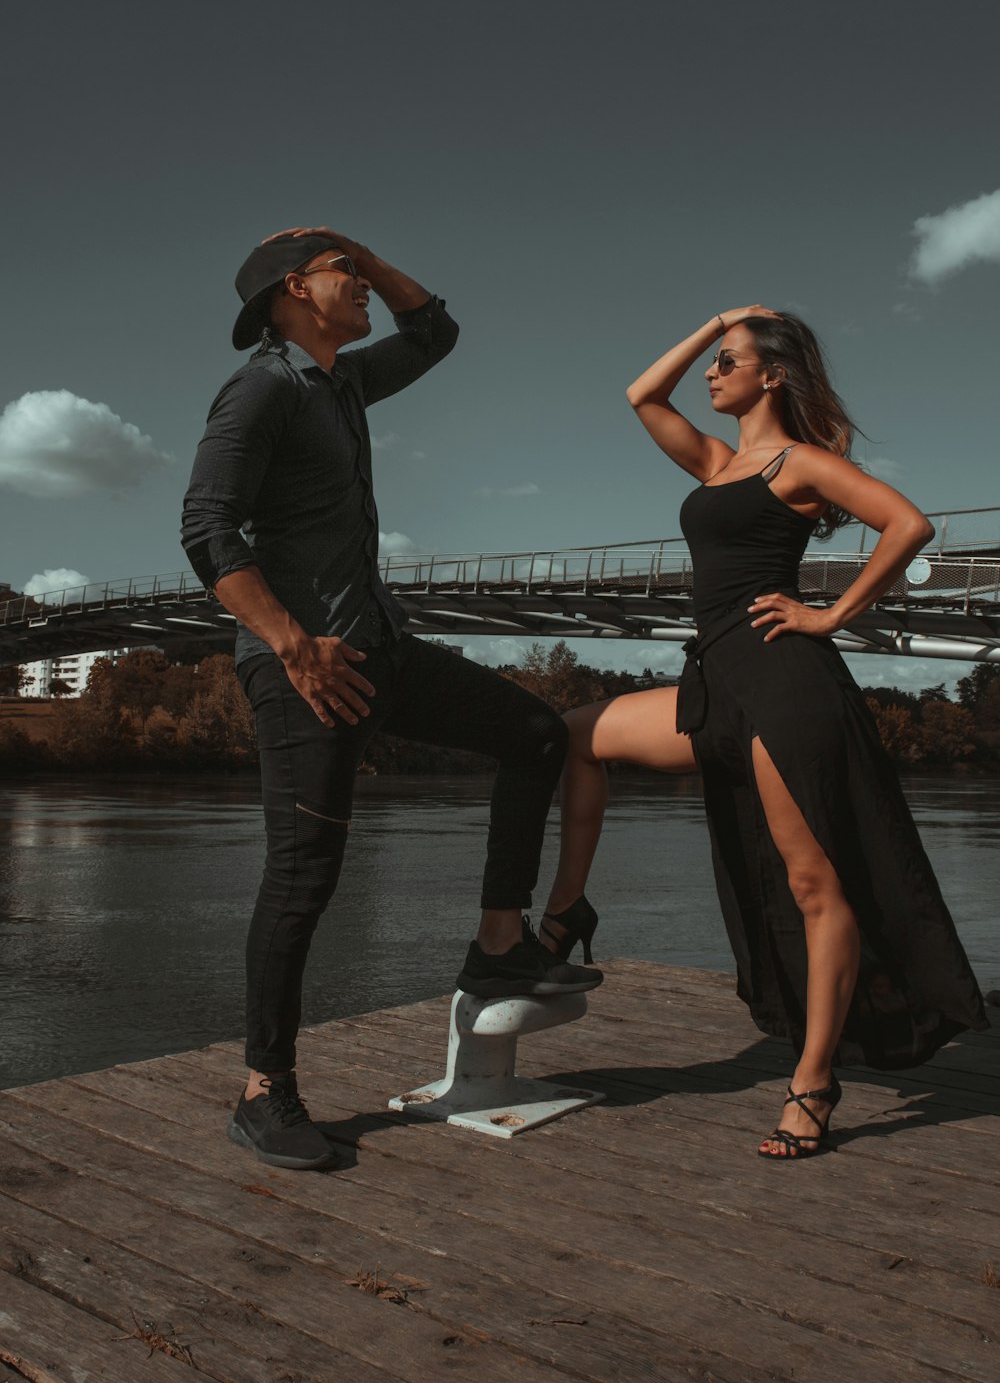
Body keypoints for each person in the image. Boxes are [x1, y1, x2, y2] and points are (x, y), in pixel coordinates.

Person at [181, 225, 601, 1170]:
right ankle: (264, 1092)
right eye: (346, 276)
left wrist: (363, 253)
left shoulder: (343, 383)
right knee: (303, 879)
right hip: (303, 665)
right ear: (295, 288)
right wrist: (291, 644)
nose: (365, 287)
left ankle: (501, 941)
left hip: (376, 648)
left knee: (534, 732)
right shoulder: (262, 387)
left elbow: (436, 333)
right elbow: (207, 528)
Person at [540, 305, 988, 1158]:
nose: (712, 371)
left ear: (770, 375)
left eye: (728, 359)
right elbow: (642, 393)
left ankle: (813, 1082)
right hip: (714, 680)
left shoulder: (801, 463)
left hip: (786, 684)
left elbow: (909, 524)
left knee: (815, 883)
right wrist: (718, 320)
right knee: (572, 733)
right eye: (712, 360)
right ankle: (565, 913)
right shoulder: (717, 461)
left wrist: (830, 616)